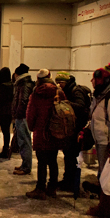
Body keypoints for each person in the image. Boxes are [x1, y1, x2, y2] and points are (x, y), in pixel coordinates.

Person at [85, 63, 110, 217]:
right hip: (100, 140)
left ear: (101, 81)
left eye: (94, 79)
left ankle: (105, 207)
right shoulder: (99, 96)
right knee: (102, 173)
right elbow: (96, 117)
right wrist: (86, 129)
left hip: (106, 143)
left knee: (106, 175)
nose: (91, 82)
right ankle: (104, 205)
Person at [25, 69, 67, 199]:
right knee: (53, 160)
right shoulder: (59, 92)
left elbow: (30, 113)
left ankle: (40, 189)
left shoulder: (36, 93)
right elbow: (65, 108)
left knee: (42, 161)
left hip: (41, 131)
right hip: (55, 131)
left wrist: (32, 127)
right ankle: (52, 188)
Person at [54, 71, 91, 194]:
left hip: (77, 128)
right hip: (72, 127)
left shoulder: (76, 91)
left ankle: (70, 182)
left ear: (66, 82)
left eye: (60, 82)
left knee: (71, 155)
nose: (58, 85)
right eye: (57, 82)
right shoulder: (69, 91)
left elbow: (81, 107)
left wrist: (66, 103)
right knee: (68, 155)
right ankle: (68, 180)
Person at [11, 63, 34, 175]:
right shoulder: (23, 84)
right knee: (23, 141)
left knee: (24, 141)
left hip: (23, 117)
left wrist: (17, 115)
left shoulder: (24, 85)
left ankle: (26, 166)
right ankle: (25, 164)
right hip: (22, 116)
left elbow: (23, 102)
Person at [0, 67, 14, 158]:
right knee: (7, 131)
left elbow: (2, 100)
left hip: (4, 111)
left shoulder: (3, 86)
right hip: (10, 111)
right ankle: (7, 148)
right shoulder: (12, 85)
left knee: (5, 131)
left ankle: (6, 150)